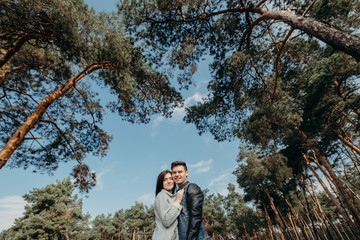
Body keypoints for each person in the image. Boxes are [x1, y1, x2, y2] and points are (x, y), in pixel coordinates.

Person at [171, 161, 211, 240]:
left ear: (186, 173)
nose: (177, 175)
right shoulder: (178, 194)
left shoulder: (192, 188)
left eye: (180, 172)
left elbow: (195, 217)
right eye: (174, 172)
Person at [153, 170, 184, 240]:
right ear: (161, 183)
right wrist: (178, 201)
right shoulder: (161, 195)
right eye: (165, 180)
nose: (169, 181)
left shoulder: (172, 197)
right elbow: (166, 221)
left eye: (171, 179)